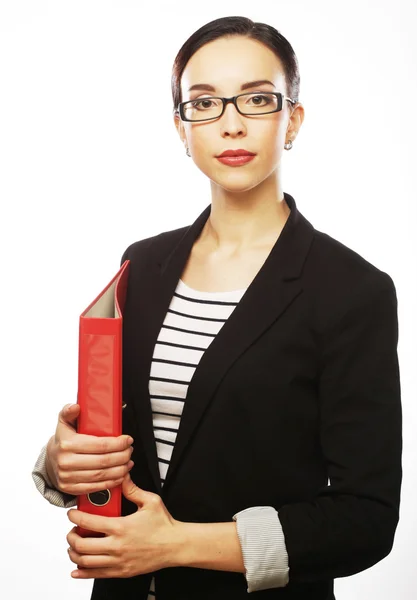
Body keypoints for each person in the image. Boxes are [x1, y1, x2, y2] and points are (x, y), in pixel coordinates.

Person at [32, 15, 402, 600]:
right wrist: (62, 461)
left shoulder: (352, 291)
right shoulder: (142, 264)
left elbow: (366, 519)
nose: (231, 124)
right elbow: (130, 437)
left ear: (293, 120)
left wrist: (175, 544)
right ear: (181, 128)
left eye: (257, 99)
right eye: (203, 104)